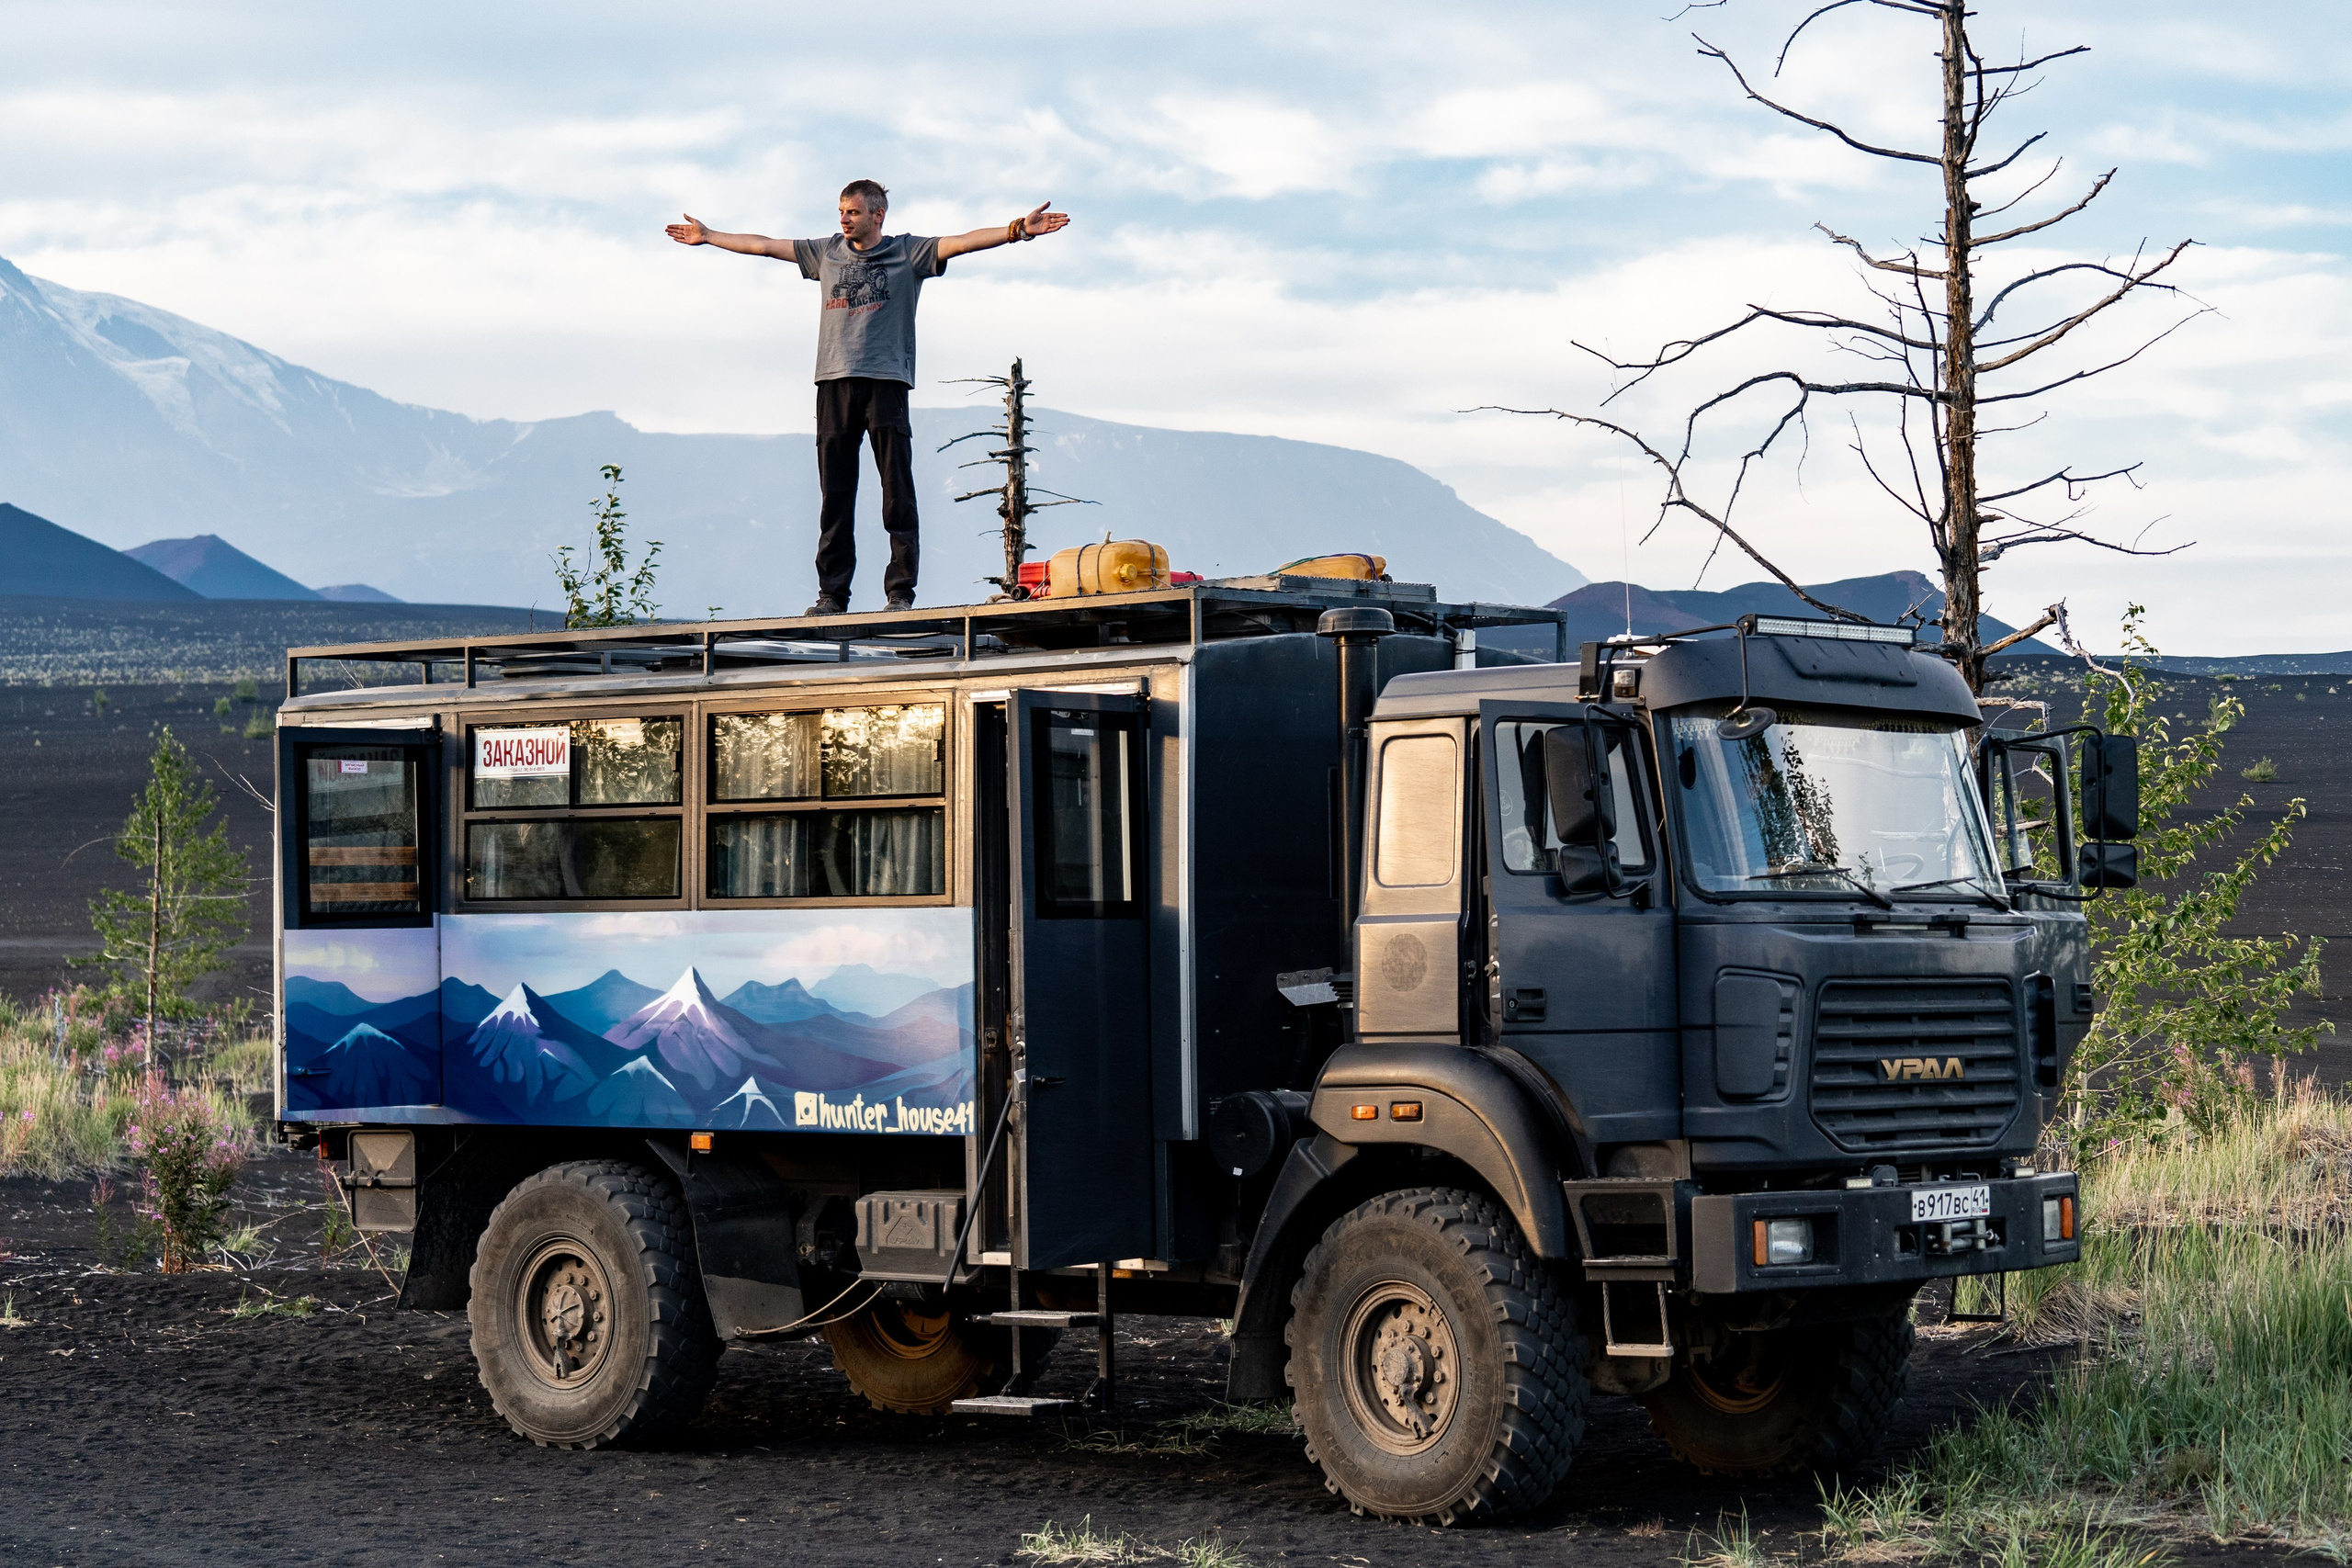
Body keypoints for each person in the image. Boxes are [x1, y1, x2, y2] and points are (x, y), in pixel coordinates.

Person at [666, 181, 1071, 615]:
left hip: (885, 384)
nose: (844, 219)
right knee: (835, 496)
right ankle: (832, 596)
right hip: (834, 384)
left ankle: (899, 593)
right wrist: (709, 236)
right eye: (841, 211)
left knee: (897, 490)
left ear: (877, 215)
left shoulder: (907, 253)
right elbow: (764, 245)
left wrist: (1017, 230)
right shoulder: (825, 252)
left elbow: (963, 242)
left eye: (853, 212)